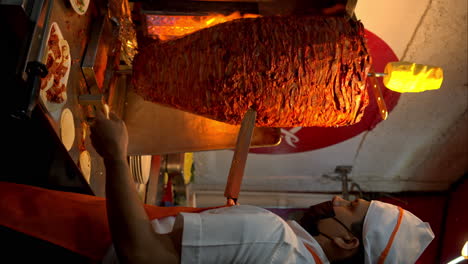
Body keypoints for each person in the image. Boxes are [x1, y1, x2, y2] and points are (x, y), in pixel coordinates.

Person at [0, 109, 434, 264]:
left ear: (346, 241)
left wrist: (115, 157)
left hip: (72, 244)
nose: (337, 198)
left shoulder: (273, 239)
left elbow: (142, 255)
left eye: (351, 207)